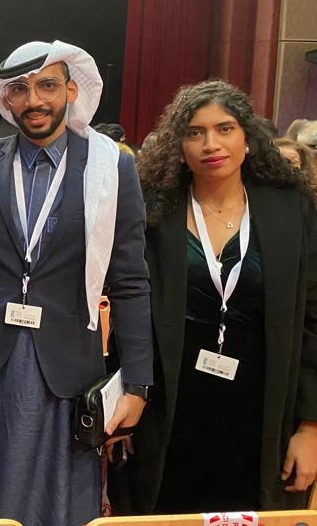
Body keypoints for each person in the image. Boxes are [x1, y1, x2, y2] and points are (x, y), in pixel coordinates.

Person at [0, 40, 152, 526]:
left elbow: (131, 282)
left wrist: (137, 384)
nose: (34, 100)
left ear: (72, 90)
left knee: (58, 502)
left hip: (67, 367)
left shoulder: (110, 167)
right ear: (5, 99)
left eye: (47, 85)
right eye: (20, 89)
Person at [110, 80, 317, 513]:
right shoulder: (153, 212)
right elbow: (128, 311)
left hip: (262, 410)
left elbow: (313, 319)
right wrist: (124, 398)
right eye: (195, 133)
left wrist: (310, 427)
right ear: (178, 146)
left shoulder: (290, 210)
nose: (211, 144)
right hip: (167, 411)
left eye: (224, 129)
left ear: (248, 138)